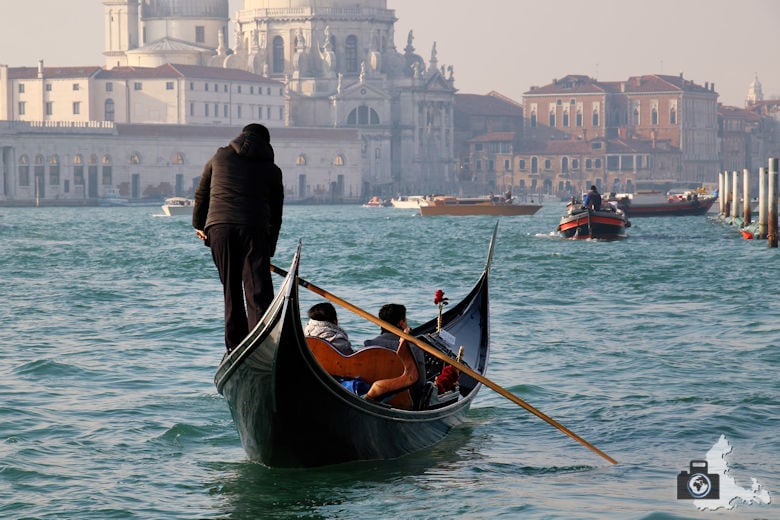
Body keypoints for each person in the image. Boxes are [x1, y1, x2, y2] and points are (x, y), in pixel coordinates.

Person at [192, 123, 284, 352]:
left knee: (231, 289)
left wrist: (199, 225)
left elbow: (201, 194)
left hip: (219, 229)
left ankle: (235, 346)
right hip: (255, 229)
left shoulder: (218, 158)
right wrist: (268, 249)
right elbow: (276, 213)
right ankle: (263, 343)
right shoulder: (272, 169)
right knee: (258, 289)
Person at [364, 304, 427, 404]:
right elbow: (421, 385)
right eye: (405, 320)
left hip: (373, 397)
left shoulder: (368, 345)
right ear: (401, 323)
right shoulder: (414, 349)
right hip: (405, 404)